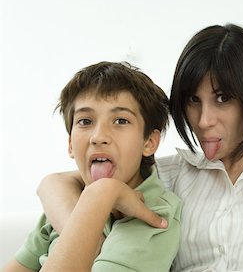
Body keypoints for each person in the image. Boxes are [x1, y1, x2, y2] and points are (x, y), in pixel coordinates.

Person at [36, 24, 243, 271]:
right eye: (193, 100)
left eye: (222, 99)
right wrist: (94, 237)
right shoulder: (167, 174)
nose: (204, 120)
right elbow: (59, 183)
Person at [2, 61, 181, 272]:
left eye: (121, 121)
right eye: (85, 121)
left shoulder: (156, 216)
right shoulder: (64, 203)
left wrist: (101, 194)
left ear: (149, 142)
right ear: (70, 144)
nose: (98, 137)